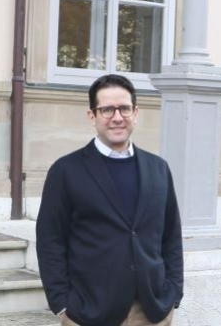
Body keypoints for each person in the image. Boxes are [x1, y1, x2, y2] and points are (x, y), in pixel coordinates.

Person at [36, 74, 184, 326]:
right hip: (89, 311)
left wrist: (173, 293)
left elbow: (171, 236)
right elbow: (51, 240)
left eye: (124, 108)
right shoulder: (66, 171)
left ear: (135, 112)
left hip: (151, 311)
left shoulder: (158, 168)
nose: (117, 117)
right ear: (92, 116)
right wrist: (62, 303)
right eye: (107, 109)